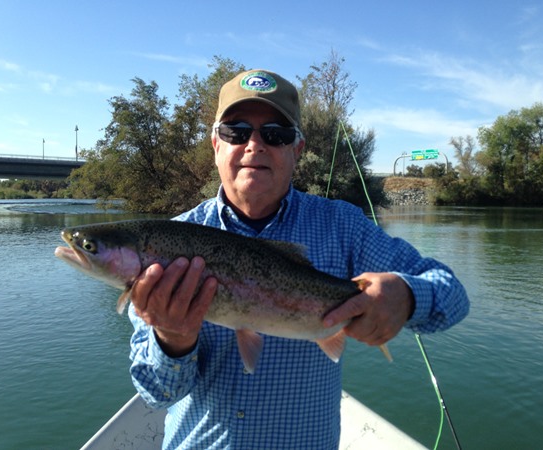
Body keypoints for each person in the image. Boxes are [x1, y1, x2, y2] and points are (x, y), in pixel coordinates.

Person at [128, 69, 469, 449]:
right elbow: (156, 394)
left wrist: (407, 297)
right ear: (215, 144)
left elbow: (453, 296)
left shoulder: (343, 227)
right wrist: (173, 339)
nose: (255, 145)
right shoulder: (167, 244)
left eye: (275, 134)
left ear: (298, 150)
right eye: (236, 131)